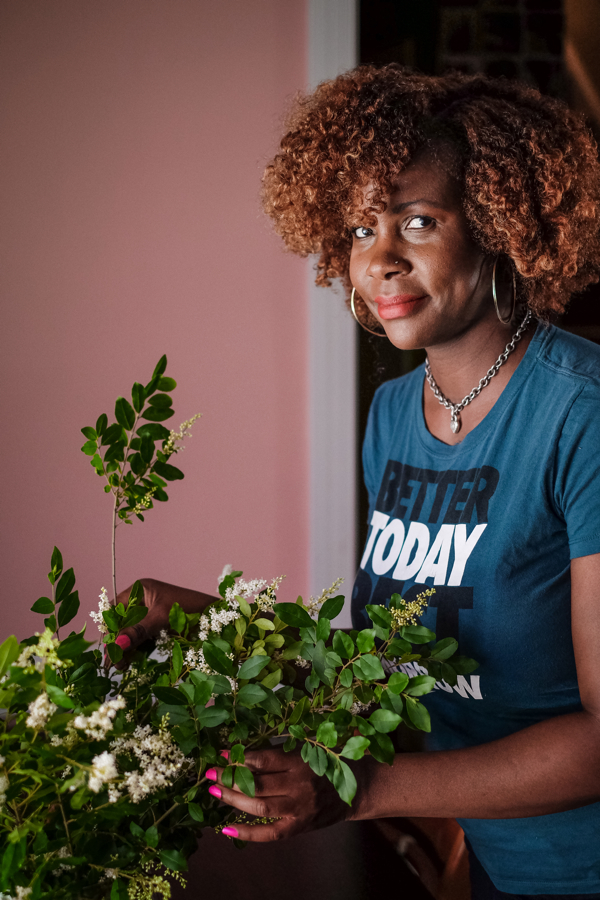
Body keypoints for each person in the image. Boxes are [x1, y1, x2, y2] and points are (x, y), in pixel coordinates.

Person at [115, 66, 600, 898]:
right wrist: (203, 620)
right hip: (492, 869)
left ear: (496, 222)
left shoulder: (580, 413)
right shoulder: (391, 417)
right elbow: (386, 679)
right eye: (358, 228)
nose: (379, 260)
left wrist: (359, 790)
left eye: (417, 221)